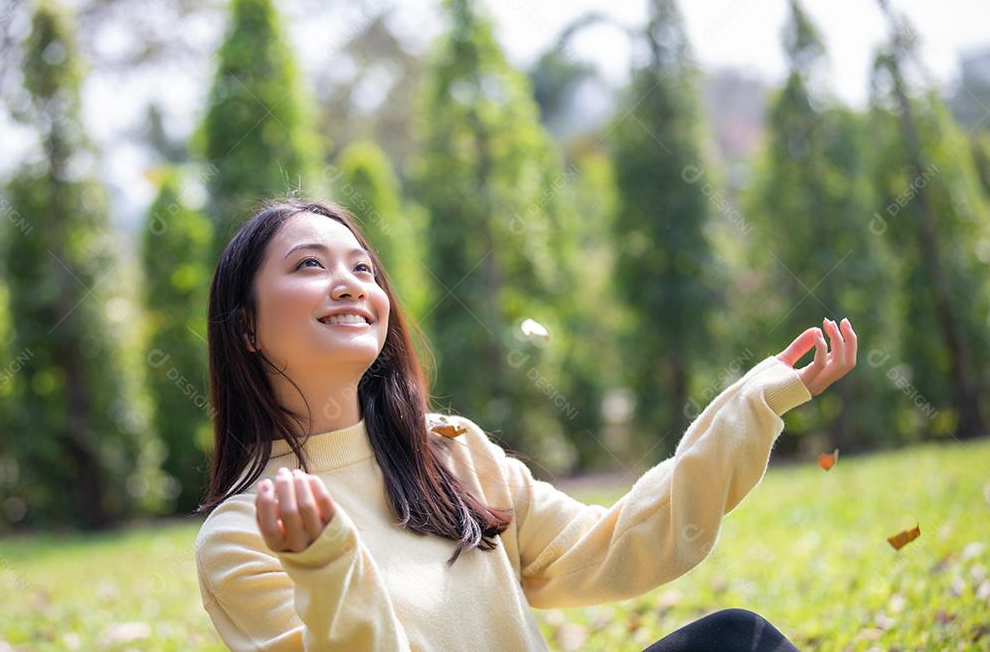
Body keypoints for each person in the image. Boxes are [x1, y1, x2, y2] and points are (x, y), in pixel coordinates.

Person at [194, 195, 857, 651]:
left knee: (735, 640)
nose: (349, 284)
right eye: (310, 265)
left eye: (362, 268)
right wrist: (322, 564)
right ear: (246, 326)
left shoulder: (451, 454)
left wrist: (752, 406)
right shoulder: (242, 537)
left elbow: (617, 545)